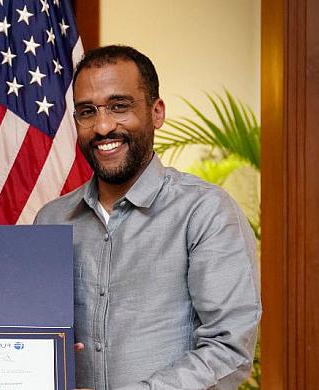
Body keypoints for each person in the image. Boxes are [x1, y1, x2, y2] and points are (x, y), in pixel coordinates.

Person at [35, 45, 261, 389]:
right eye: (87, 112)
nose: (103, 126)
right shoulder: (51, 220)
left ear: (156, 112)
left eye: (119, 106)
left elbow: (228, 351)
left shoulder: (205, 212)